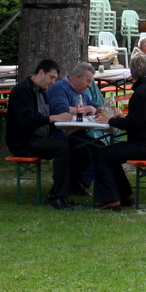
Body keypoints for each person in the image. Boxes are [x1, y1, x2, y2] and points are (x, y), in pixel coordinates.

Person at [6, 59, 89, 210]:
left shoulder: (41, 92)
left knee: (81, 147)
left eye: (55, 79)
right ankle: (58, 197)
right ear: (41, 72)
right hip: (24, 141)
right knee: (62, 148)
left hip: (40, 137)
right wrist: (54, 118)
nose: (53, 82)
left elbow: (43, 117)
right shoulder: (22, 91)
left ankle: (60, 191)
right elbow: (26, 120)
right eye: (51, 77)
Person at [93, 52, 146, 211]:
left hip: (145, 146)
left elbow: (134, 123)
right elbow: (143, 118)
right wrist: (124, 117)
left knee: (102, 155)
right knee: (110, 156)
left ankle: (111, 198)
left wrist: (111, 120)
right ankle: (125, 194)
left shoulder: (141, 93)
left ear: (132, 73)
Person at [48, 62, 101, 194]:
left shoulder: (81, 91)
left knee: (100, 147)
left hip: (77, 132)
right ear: (77, 77)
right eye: (88, 81)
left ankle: (80, 182)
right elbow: (60, 110)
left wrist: (103, 108)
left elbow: (93, 105)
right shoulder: (60, 88)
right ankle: (74, 183)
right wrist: (82, 109)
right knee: (84, 151)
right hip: (61, 132)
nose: (89, 85)